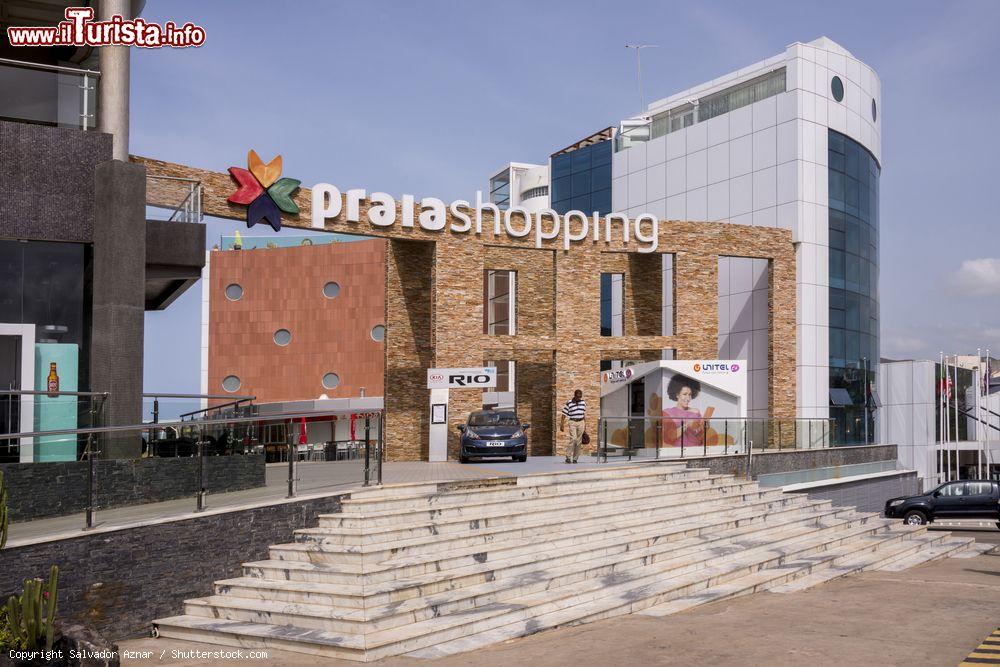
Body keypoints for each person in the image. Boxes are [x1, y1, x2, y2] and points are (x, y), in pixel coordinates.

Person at [662, 374, 708, 446]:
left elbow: (699, 436)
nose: (688, 398)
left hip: (695, 449)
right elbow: (669, 437)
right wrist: (686, 425)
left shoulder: (696, 412)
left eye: (690, 394)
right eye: (685, 394)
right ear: (677, 395)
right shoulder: (667, 413)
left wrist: (705, 428)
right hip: (678, 451)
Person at [559, 389, 586, 463]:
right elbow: (564, 414)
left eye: (580, 397)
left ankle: (575, 458)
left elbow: (583, 414)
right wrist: (562, 424)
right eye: (578, 396)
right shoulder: (569, 403)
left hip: (581, 422)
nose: (579, 398)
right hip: (572, 422)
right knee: (573, 439)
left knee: (579, 441)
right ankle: (568, 457)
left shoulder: (583, 402)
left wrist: (585, 425)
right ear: (574, 395)